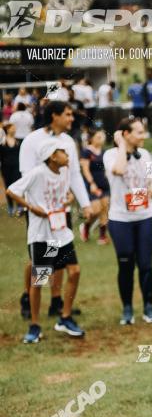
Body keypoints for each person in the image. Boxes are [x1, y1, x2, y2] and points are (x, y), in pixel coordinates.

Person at [18, 101, 91, 320]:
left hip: (61, 211)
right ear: (54, 116)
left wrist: (84, 203)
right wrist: (36, 207)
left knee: (59, 256)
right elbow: (26, 177)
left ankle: (57, 301)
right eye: (67, 114)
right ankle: (27, 297)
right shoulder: (32, 141)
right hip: (40, 213)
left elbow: (75, 175)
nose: (72, 119)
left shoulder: (68, 141)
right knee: (39, 259)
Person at [8, 140, 86, 342]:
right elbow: (11, 191)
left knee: (75, 271)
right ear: (52, 156)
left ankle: (65, 317)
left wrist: (68, 198)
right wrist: (31, 208)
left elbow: (65, 193)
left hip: (61, 233)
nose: (68, 156)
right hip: (43, 236)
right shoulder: (38, 173)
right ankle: (34, 326)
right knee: (40, 279)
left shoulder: (64, 172)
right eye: (64, 153)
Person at [103, 117, 152, 325]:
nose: (143, 135)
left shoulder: (145, 154)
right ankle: (127, 308)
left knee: (146, 264)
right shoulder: (110, 155)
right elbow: (118, 170)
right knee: (125, 264)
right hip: (120, 219)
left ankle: (149, 306)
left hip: (145, 217)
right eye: (138, 132)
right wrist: (121, 146)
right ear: (126, 134)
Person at [79, 129, 110, 244]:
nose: (101, 138)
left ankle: (102, 237)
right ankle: (86, 226)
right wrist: (92, 183)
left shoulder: (104, 152)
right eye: (98, 136)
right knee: (95, 210)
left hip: (104, 184)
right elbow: (85, 170)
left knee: (104, 209)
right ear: (91, 138)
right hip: (92, 185)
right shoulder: (86, 152)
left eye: (102, 136)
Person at [0, 123, 21, 216]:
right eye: (12, 128)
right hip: (6, 168)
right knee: (8, 187)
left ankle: (20, 206)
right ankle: (10, 207)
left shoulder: (18, 141)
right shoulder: (2, 142)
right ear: (8, 130)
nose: (14, 130)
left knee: (18, 186)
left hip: (17, 167)